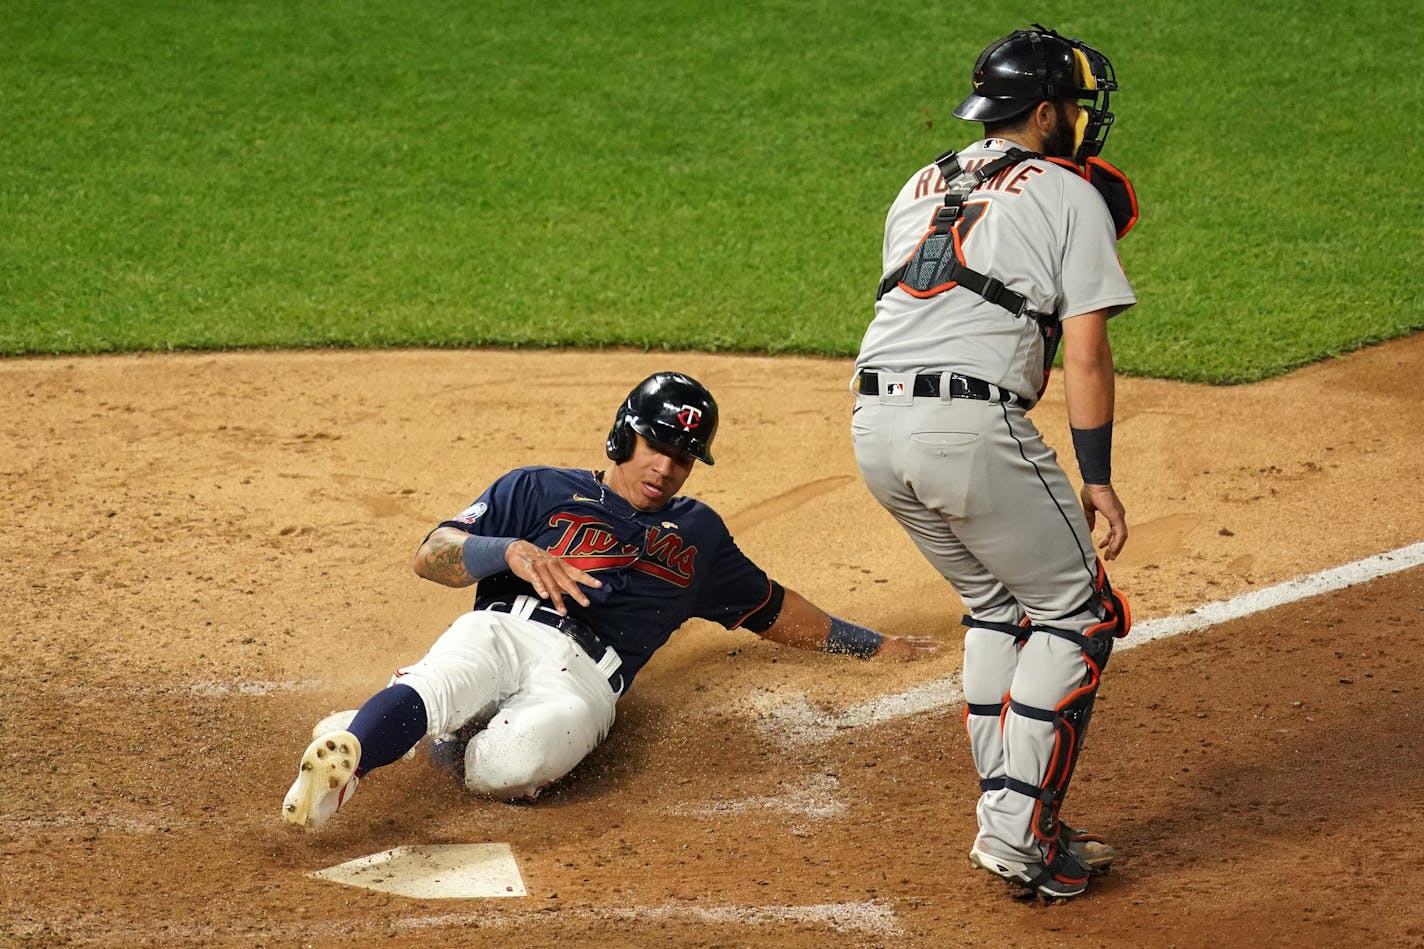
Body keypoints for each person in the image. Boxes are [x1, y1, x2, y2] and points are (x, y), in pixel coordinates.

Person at [282, 371, 938, 832]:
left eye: (684, 457)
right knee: (445, 677)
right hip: (502, 628)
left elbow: (770, 608)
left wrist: (873, 645)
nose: (667, 467)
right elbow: (432, 554)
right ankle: (348, 764)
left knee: (510, 764)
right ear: (625, 434)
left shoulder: (700, 534)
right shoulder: (538, 487)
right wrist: (508, 552)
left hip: (588, 681)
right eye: (658, 445)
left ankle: (431, 734)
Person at [849, 25, 1138, 899]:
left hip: (871, 426)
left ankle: (1013, 809)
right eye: (1077, 108)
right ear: (1044, 111)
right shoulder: (1067, 191)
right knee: (1077, 613)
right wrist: (1096, 477)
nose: (1084, 122)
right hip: (969, 430)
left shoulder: (919, 181)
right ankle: (1017, 833)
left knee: (994, 603)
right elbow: (1084, 351)